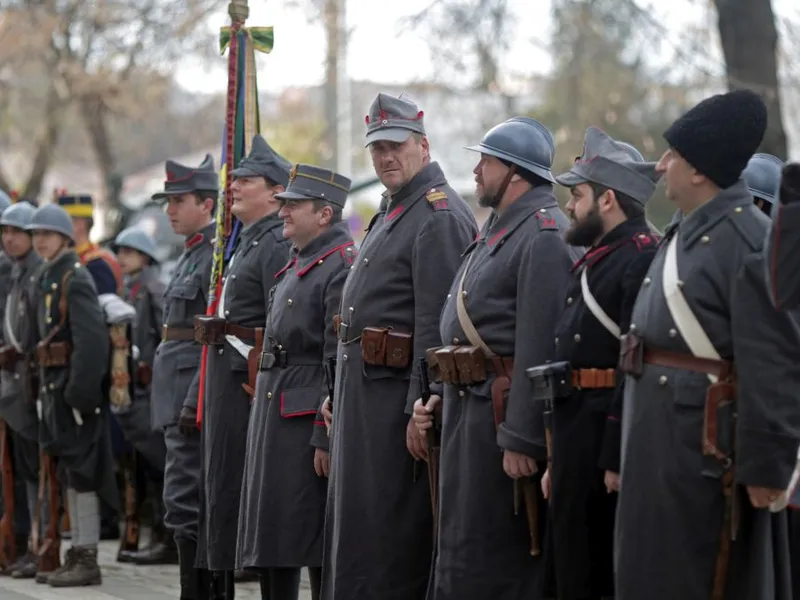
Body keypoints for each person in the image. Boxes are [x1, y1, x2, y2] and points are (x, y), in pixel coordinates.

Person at [615, 89, 800, 600]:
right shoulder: (685, 231)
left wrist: (767, 469)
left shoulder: (750, 241)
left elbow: (776, 362)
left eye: (672, 155)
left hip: (702, 459)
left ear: (698, 171)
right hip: (659, 445)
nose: (662, 165)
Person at [412, 116, 577, 599]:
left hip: (502, 420)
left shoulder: (543, 234)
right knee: (463, 550)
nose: (478, 172)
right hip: (469, 409)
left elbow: (538, 344)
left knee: (498, 559)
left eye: (486, 161)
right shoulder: (500, 230)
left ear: (516, 173)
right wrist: (440, 395)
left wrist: (524, 438)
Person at [321, 92, 478, 600]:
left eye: (396, 146)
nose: (386, 157)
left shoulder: (437, 215)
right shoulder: (394, 208)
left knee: (390, 539)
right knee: (360, 531)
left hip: (395, 406)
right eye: (377, 149)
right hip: (363, 397)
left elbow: (438, 326)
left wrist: (421, 404)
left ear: (423, 147)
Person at [526, 127, 660, 600]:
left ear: (607, 201)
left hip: (603, 441)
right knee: (568, 569)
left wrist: (614, 456)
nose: (569, 204)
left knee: (594, 573)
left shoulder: (640, 258)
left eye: (578, 194)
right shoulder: (600, 258)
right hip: (575, 435)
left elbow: (635, 363)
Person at [238, 163, 354, 600]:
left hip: (304, 417)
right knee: (273, 534)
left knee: (310, 537)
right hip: (276, 405)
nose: (282, 212)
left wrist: (324, 432)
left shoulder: (339, 266)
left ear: (324, 214)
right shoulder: (300, 261)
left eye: (293, 205)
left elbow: (335, 359)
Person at [194, 135, 292, 599]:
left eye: (246, 180)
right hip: (227, 382)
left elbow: (279, 320)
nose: (233, 187)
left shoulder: (274, 241)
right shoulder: (249, 239)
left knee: (239, 491)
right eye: (233, 179)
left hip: (247, 385)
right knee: (220, 488)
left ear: (276, 192)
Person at [26, 203, 118, 587]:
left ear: (65, 236)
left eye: (47, 233)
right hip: (55, 392)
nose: (40, 240)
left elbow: (91, 343)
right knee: (68, 474)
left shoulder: (74, 277)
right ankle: (74, 553)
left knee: (82, 476)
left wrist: (79, 396)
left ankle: (86, 556)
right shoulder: (50, 275)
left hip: (73, 395)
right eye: (37, 234)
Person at [149, 154, 218, 599]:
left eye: (179, 200)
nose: (170, 209)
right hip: (175, 389)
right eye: (168, 201)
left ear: (208, 204)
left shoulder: (214, 254)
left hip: (192, 391)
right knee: (181, 497)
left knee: (186, 497)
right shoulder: (192, 252)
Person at [56, 191, 123, 541]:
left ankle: (106, 521)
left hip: (102, 364)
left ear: (79, 223)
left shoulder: (96, 264)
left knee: (101, 448)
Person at [111, 226, 178, 566]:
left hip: (151, 388)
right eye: (120, 251)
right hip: (134, 390)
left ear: (144, 256)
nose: (122, 257)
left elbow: (165, 336)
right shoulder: (129, 287)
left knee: (161, 462)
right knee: (149, 467)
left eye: (129, 251)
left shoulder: (151, 287)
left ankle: (169, 536)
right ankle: (158, 532)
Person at [0, 200, 41, 579]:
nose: (9, 239)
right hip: (14, 386)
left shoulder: (36, 274)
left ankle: (36, 544)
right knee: (21, 467)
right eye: (6, 232)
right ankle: (26, 543)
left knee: (36, 470)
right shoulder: (17, 272)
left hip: (33, 385)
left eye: (17, 232)